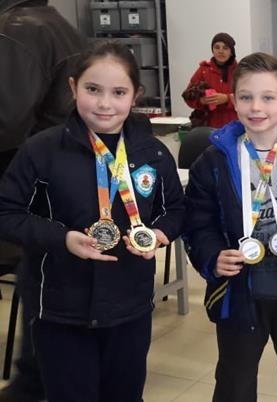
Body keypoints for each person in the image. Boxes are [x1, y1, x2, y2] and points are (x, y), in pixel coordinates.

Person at [0, 41, 185, 402]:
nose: (104, 103)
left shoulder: (152, 152)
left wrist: (159, 233)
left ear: (136, 95)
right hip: (61, 310)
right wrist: (61, 238)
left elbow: (176, 209)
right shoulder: (42, 150)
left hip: (130, 307)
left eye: (118, 92)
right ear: (73, 87)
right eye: (93, 89)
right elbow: (6, 212)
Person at [183, 52, 277, 402]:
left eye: (268, 97)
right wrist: (212, 256)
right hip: (239, 291)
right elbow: (199, 220)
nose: (256, 107)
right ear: (234, 101)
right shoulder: (214, 162)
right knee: (235, 382)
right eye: (246, 97)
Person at [0, 0, 85, 400]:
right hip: (60, 191)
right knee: (47, 291)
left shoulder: (18, 30)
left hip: (33, 194)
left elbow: (4, 122)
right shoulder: (55, 23)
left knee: (42, 291)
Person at [182, 32, 239, 128]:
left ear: (231, 51)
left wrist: (227, 99)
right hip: (209, 127)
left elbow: (250, 98)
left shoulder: (240, 71)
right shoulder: (203, 70)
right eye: (217, 47)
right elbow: (188, 96)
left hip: (236, 127)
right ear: (212, 50)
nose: (220, 51)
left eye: (225, 48)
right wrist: (201, 101)